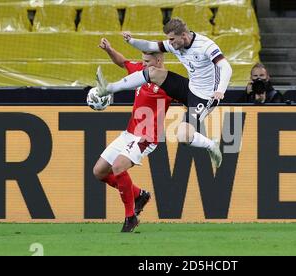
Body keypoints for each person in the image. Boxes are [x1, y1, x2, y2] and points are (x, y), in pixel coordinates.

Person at [96, 18, 233, 169]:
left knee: (183, 136)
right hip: (190, 86)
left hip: (205, 96)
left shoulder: (206, 46)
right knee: (152, 72)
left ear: (184, 36)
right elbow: (149, 45)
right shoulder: (175, 43)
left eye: (172, 39)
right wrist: (131, 41)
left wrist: (220, 89)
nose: (170, 43)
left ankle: (211, 145)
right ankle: (108, 88)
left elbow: (226, 67)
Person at [93, 38, 172, 232]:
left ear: (159, 61)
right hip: (130, 133)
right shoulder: (141, 72)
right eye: (142, 61)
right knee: (99, 171)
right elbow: (122, 62)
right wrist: (109, 49)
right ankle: (139, 195)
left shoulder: (168, 83)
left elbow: (189, 97)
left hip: (147, 136)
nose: (143, 65)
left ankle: (130, 217)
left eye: (147, 62)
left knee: (118, 166)